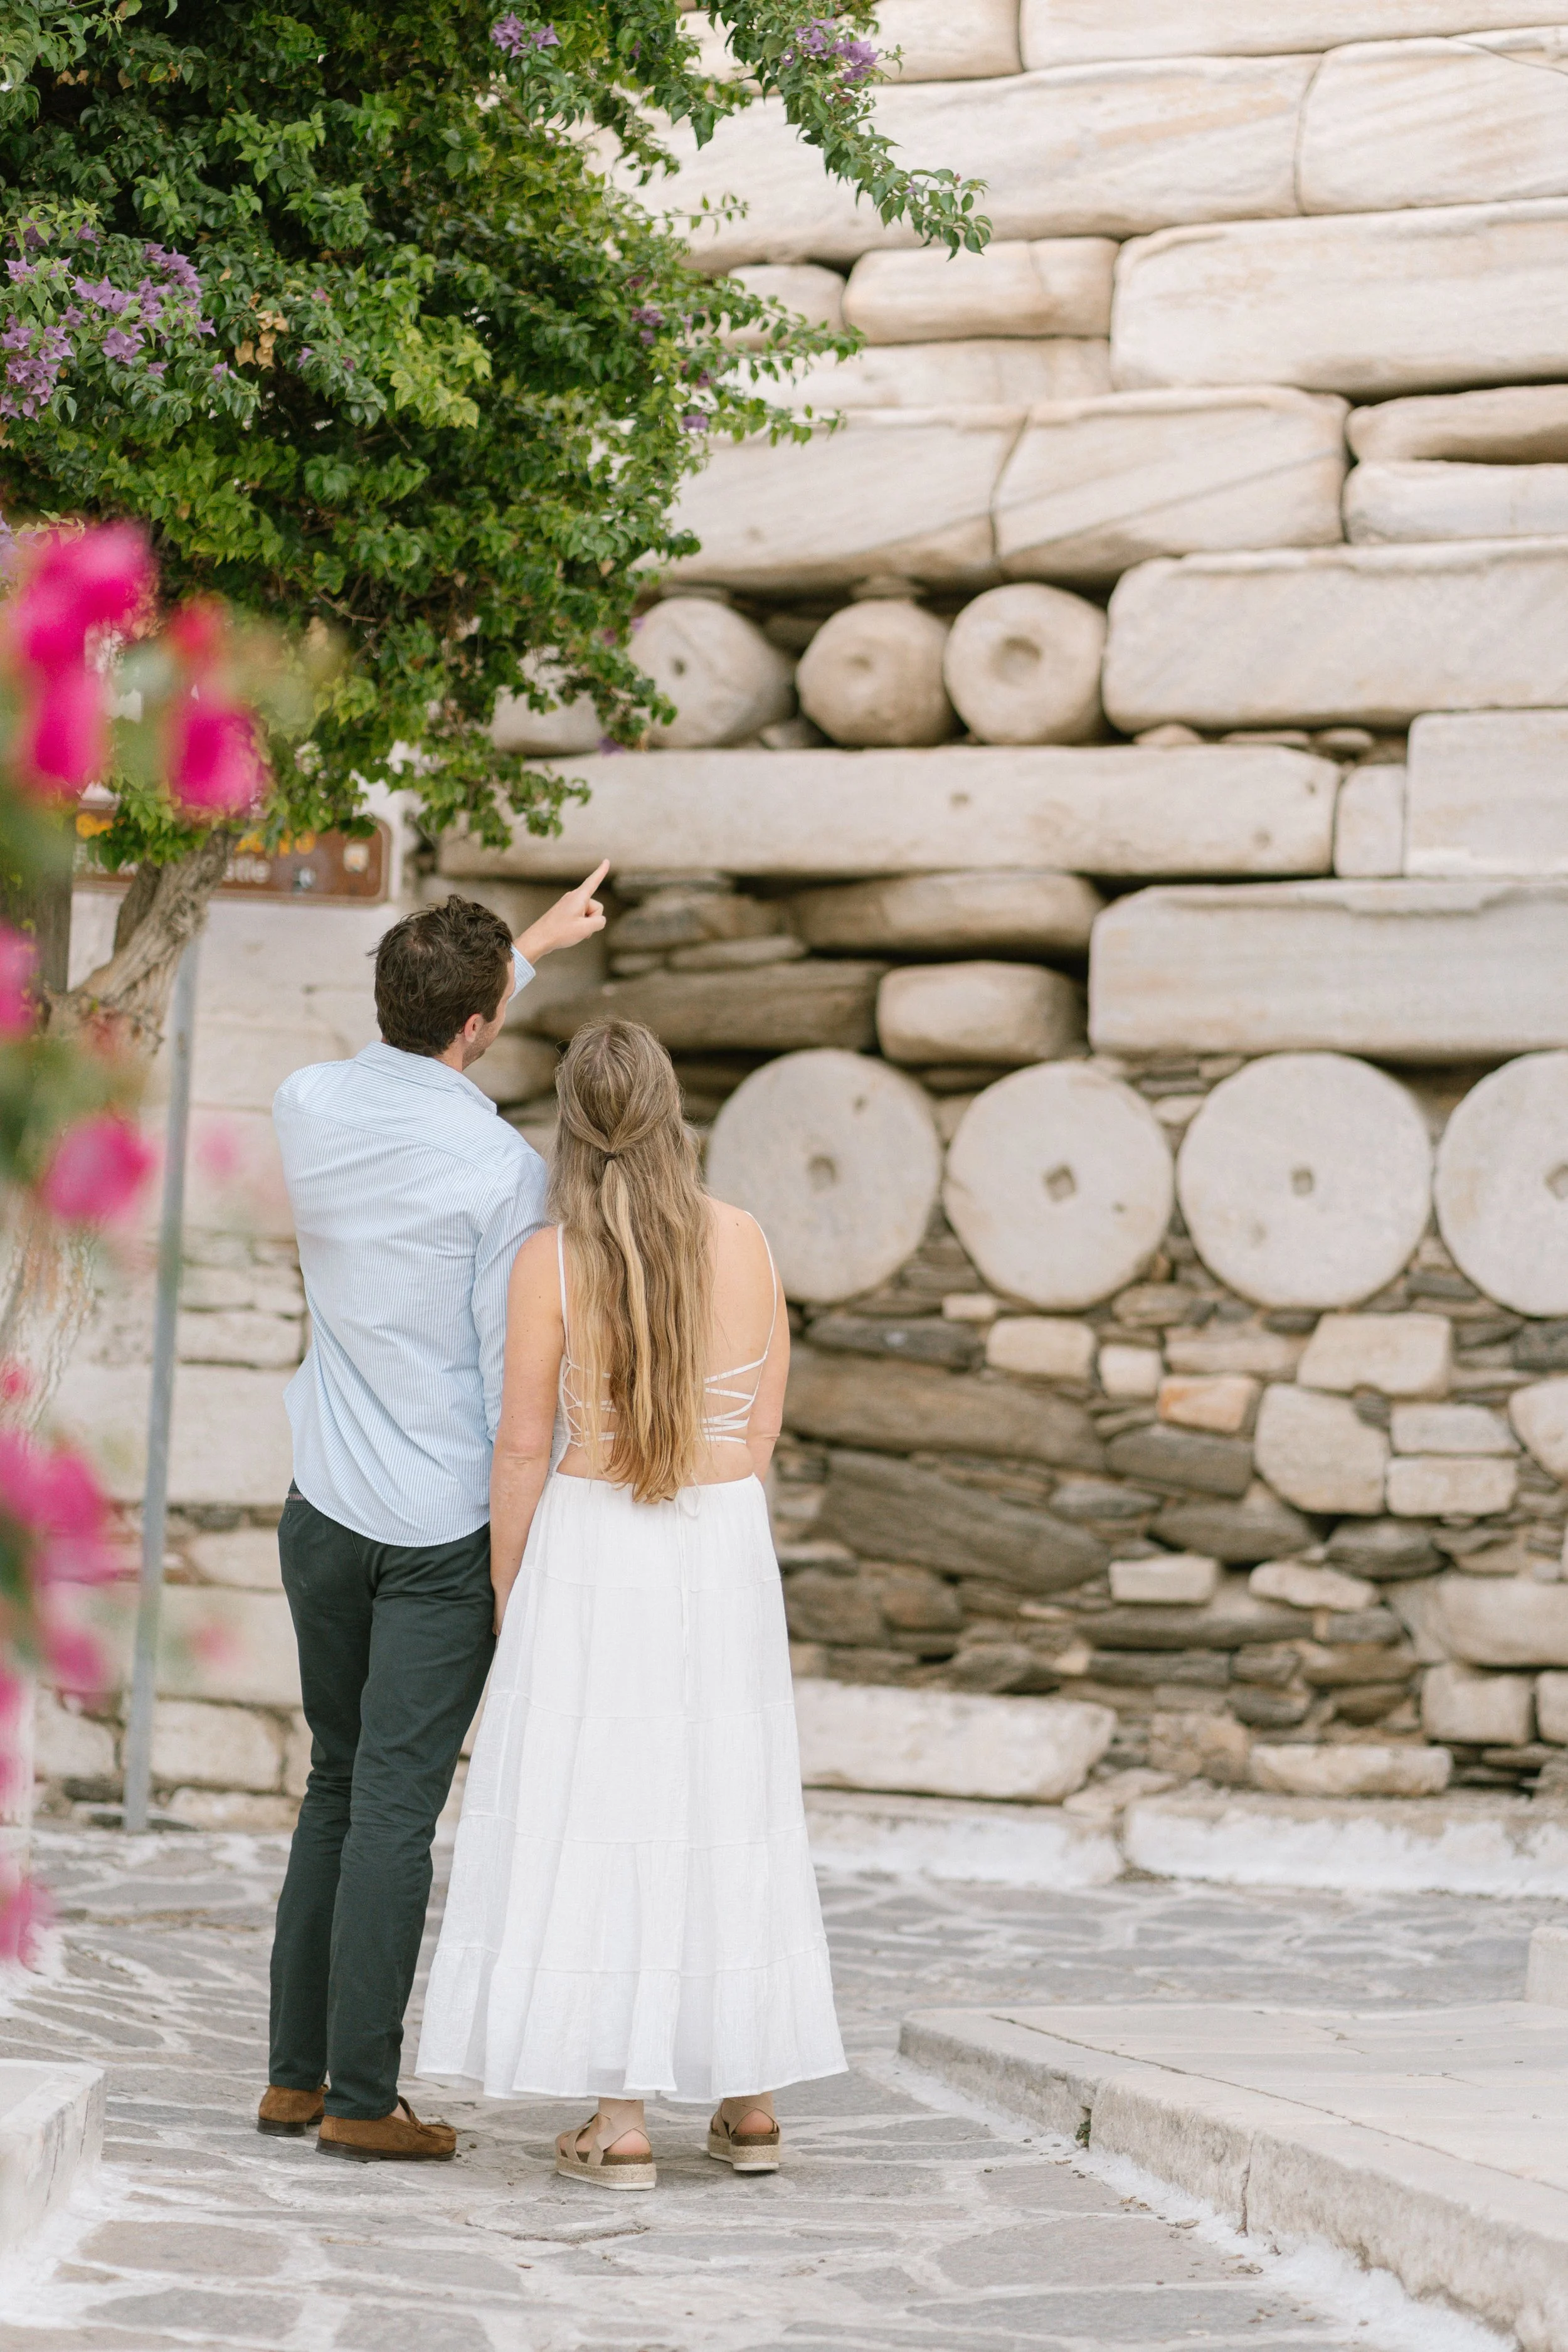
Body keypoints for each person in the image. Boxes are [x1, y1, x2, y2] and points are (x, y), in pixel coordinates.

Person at [416, 1017, 845, 2188]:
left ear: (573, 1124)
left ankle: (621, 2119)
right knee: (728, 1799)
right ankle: (749, 2102)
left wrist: (513, 1592)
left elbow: (519, 1445)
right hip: (720, 1548)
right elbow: (757, 1434)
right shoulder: (750, 1239)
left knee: (605, 1805)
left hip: (598, 1548)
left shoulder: (550, 1261)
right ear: (671, 1113)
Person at [258, 867, 608, 2163]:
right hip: (432, 1534)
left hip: (321, 1512)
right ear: (479, 1027)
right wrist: (521, 1566)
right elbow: (507, 1393)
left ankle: (294, 2080)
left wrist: (521, 951)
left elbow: (428, 1032)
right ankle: (361, 2099)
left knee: (334, 1787)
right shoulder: (499, 1175)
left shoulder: (305, 1104)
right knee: (397, 1808)